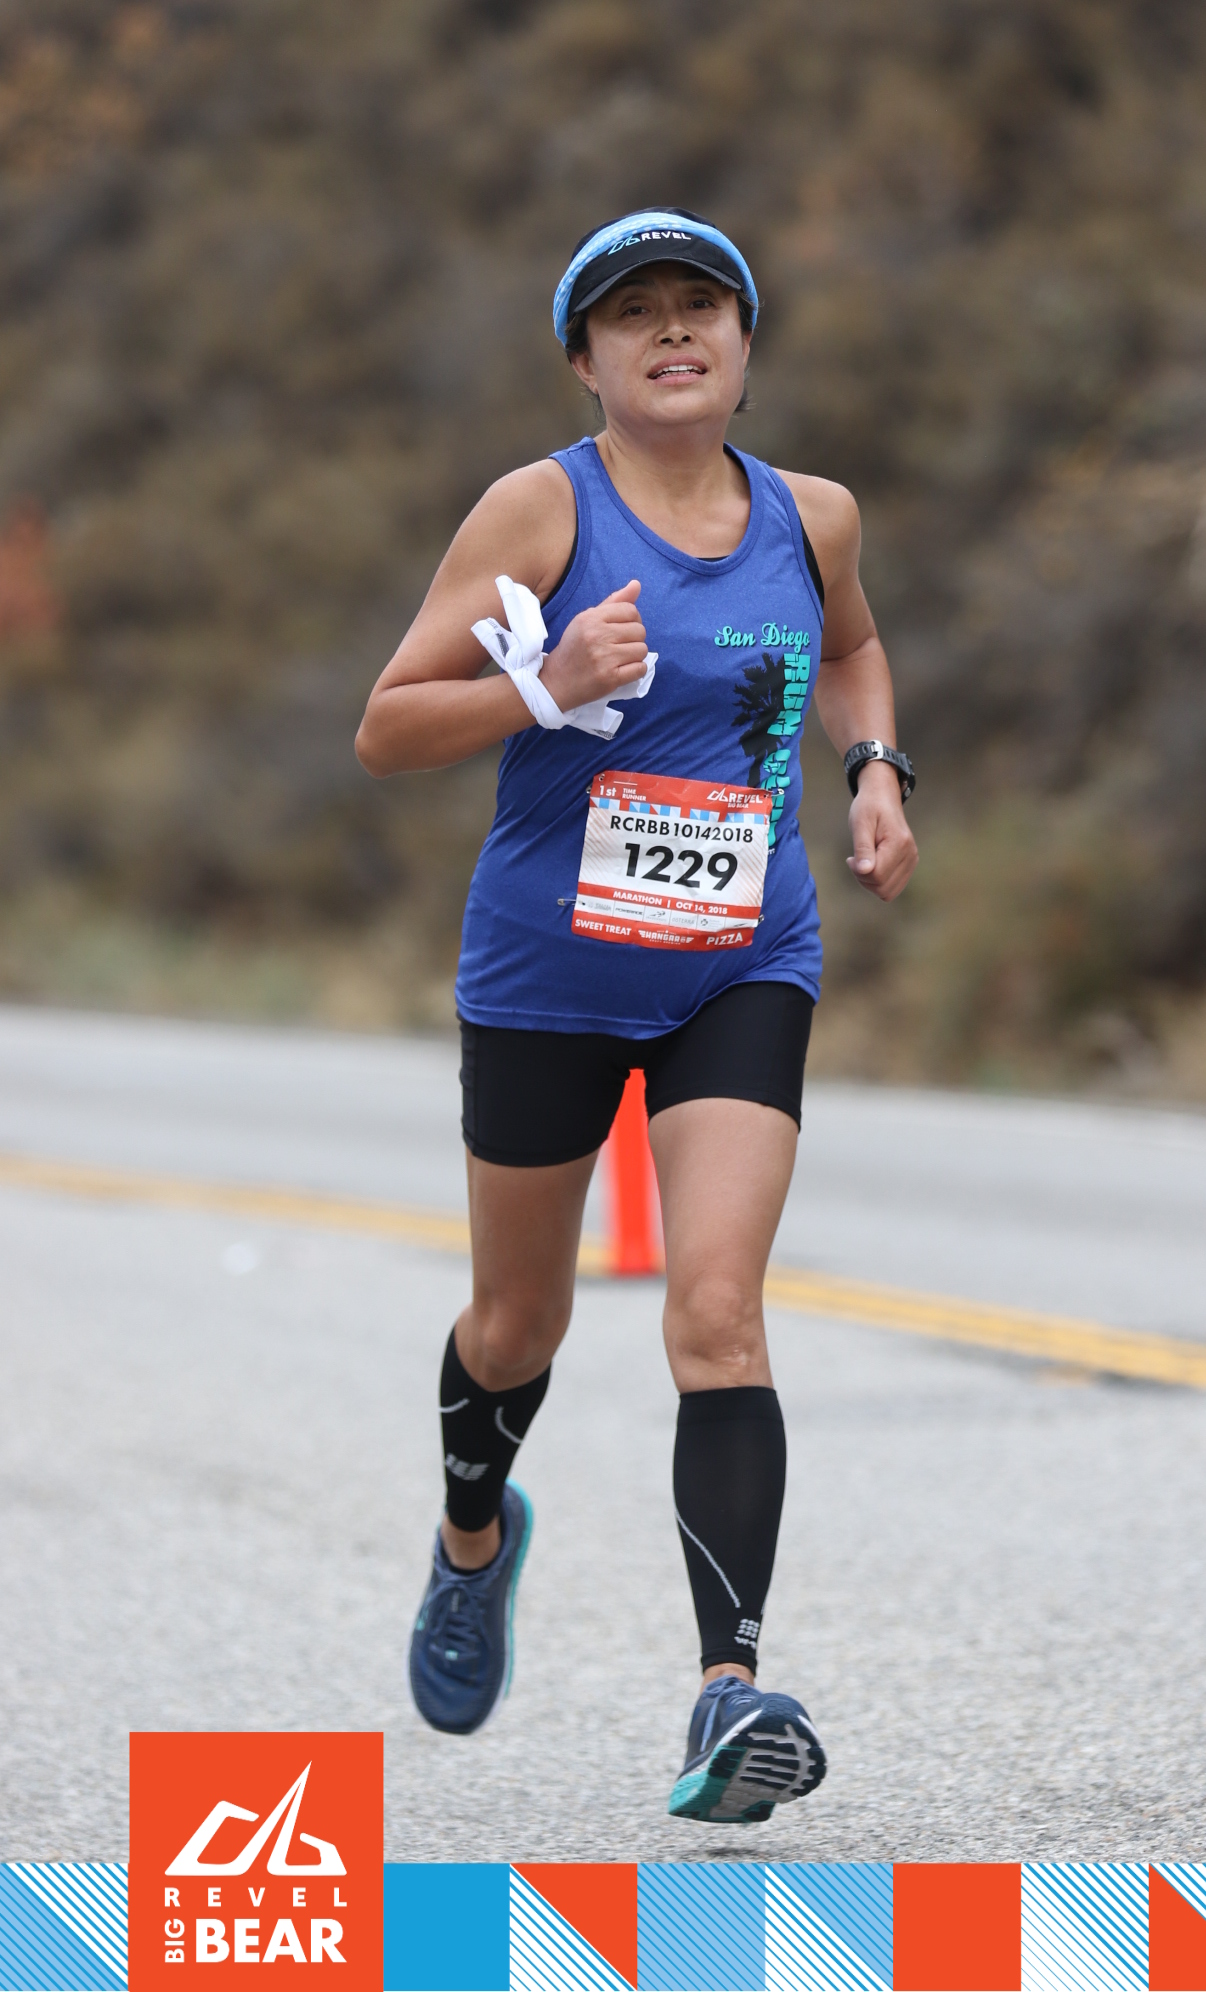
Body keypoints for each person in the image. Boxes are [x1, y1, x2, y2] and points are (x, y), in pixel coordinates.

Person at [355, 208, 917, 1825]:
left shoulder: (814, 516)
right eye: (633, 315)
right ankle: (474, 1540)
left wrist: (875, 769)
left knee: (719, 1314)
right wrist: (543, 686)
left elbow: (854, 649)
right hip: (549, 973)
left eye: (700, 306)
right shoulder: (541, 510)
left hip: (743, 959)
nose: (673, 331)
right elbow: (388, 725)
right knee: (516, 1324)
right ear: (586, 362)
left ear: (743, 341)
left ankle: (729, 1693)